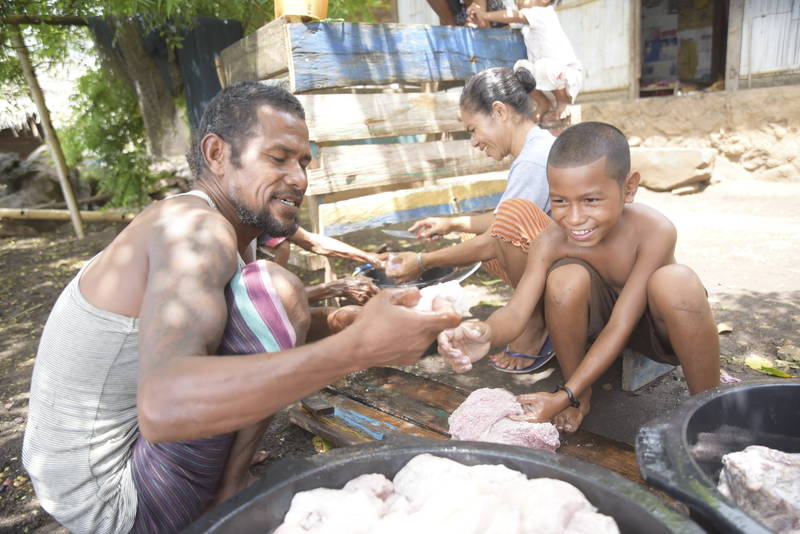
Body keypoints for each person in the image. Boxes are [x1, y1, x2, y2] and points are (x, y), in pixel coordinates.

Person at [21, 81, 460, 534]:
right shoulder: (195, 231)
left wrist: (354, 322)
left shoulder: (226, 232)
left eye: (304, 162)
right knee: (279, 291)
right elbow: (164, 407)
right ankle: (227, 496)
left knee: (276, 297)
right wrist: (358, 350)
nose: (299, 178)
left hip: (98, 479)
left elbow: (260, 329)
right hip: (116, 504)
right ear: (215, 154)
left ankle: (226, 482)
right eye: (278, 158)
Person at [437, 121, 721, 433]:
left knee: (677, 282)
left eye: (591, 200)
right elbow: (519, 310)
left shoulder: (654, 231)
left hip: (651, 330)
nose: (573, 218)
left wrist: (562, 394)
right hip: (598, 328)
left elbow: (621, 325)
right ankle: (579, 394)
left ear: (628, 188)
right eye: (559, 201)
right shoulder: (551, 240)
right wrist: (486, 333)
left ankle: (709, 408)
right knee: (564, 280)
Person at [382, 66, 556, 373]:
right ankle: (533, 309)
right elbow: (505, 220)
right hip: (558, 253)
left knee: (492, 242)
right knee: (474, 238)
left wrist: (423, 261)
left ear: (499, 112)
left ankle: (534, 323)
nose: (474, 142)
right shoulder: (534, 148)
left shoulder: (532, 159)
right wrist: (452, 223)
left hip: (572, 270)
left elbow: (504, 231)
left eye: (473, 129)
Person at [468, 0, 582, 125]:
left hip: (566, 77)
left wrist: (484, 14)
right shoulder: (526, 24)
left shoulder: (543, 13)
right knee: (520, 69)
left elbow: (513, 15)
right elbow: (506, 21)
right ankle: (543, 102)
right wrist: (477, 16)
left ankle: (564, 101)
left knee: (542, 66)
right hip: (547, 79)